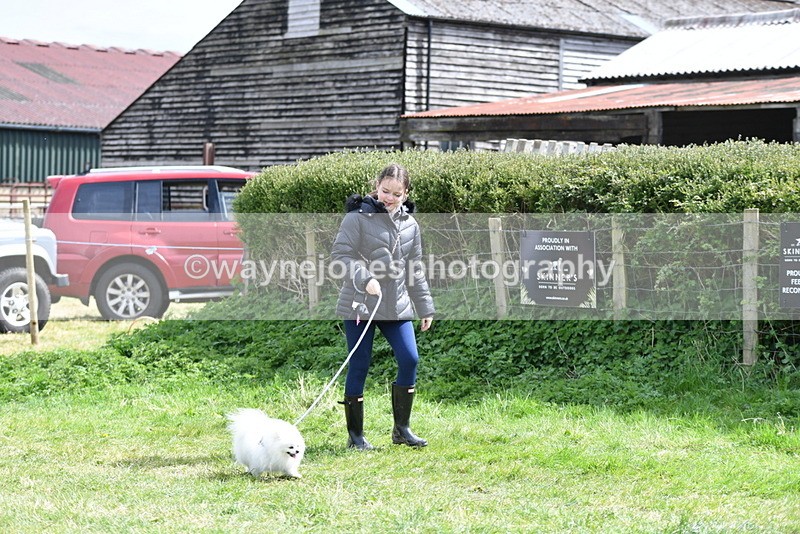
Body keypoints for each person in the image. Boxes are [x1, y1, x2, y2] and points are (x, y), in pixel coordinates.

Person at [331, 163, 435, 450]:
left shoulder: (410, 225)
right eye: (385, 191)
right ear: (376, 186)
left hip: (397, 304)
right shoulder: (356, 218)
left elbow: (415, 268)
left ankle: (401, 430)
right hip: (360, 303)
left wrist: (425, 306)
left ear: (406, 193)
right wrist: (364, 279)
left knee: (410, 359)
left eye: (396, 193)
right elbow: (340, 256)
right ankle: (356, 438)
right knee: (360, 364)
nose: (389, 197)